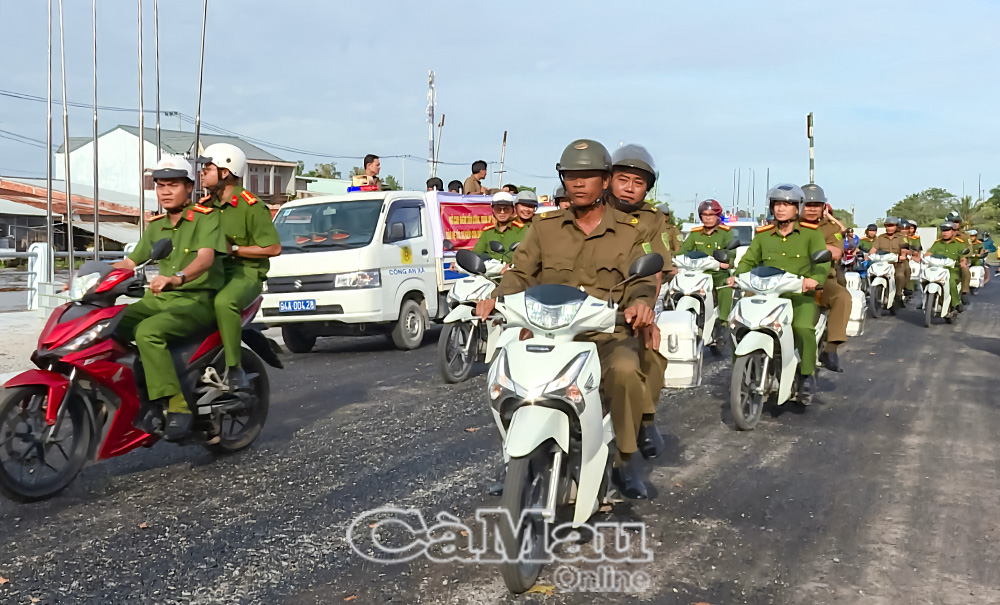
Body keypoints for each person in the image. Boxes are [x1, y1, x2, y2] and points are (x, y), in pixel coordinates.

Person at [476, 139, 658, 499]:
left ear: (605, 180)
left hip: (606, 336)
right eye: (571, 175)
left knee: (624, 372)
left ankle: (625, 458)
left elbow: (641, 282)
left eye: (587, 175)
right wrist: (495, 298)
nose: (577, 183)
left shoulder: (630, 230)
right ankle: (516, 459)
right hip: (548, 334)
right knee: (505, 375)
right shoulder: (544, 227)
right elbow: (521, 273)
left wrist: (640, 303)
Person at [113, 155, 227, 440]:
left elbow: (205, 258)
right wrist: (86, 277)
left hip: (197, 300)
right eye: (160, 185)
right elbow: (130, 263)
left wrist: (178, 278)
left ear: (189, 187)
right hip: (160, 299)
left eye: (173, 184)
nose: (165, 191)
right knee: (110, 323)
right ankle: (132, 390)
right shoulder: (156, 226)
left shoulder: (207, 218)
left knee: (148, 331)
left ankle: (176, 404)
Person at [729, 184, 830, 403]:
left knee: (802, 327)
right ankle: (742, 366)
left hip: (798, 296)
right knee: (738, 321)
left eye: (787, 204)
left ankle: (806, 375)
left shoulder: (812, 235)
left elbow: (823, 264)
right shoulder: (763, 236)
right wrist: (736, 276)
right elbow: (749, 260)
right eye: (777, 204)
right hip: (767, 294)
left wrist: (815, 280)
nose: (781, 209)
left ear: (798, 208)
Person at [609, 143, 673, 459]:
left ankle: (644, 422)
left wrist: (646, 308)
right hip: (582, 306)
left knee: (648, 351)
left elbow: (655, 268)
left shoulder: (650, 220)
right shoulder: (592, 212)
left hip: (633, 302)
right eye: (624, 179)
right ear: (608, 179)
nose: (630, 188)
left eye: (639, 183)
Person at [200, 143, 282, 391]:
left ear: (225, 172)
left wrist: (234, 250)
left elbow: (273, 248)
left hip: (245, 274)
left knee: (224, 303)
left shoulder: (250, 206)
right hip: (212, 273)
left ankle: (234, 369)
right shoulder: (205, 207)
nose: (202, 172)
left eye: (208, 167)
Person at [799, 184, 850, 373]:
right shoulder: (788, 223)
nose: (811, 208)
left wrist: (807, 248)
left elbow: (836, 252)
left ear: (823, 207)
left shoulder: (832, 227)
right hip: (787, 277)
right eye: (807, 204)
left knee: (842, 297)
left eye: (816, 205)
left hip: (821, 278)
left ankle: (831, 349)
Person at [679, 199, 734, 349]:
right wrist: (675, 261)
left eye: (711, 214)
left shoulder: (726, 233)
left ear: (718, 216)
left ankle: (722, 323)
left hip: (717, 274)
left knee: (726, 287)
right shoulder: (695, 234)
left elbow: (731, 252)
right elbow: (683, 250)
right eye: (704, 215)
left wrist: (727, 261)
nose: (708, 218)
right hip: (698, 274)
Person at [870, 216, 911, 313]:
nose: (889, 228)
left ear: (896, 226)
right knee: (872, 272)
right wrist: (869, 255)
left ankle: (897, 295)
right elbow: (873, 249)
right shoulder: (880, 238)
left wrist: (903, 256)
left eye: (892, 226)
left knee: (899, 276)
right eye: (887, 226)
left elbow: (904, 249)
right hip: (883, 262)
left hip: (897, 262)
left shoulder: (902, 238)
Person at [926, 221, 967, 318]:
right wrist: (924, 257)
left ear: (953, 231)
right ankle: (925, 301)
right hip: (937, 268)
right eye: (943, 230)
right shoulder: (937, 243)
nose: (945, 233)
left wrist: (963, 262)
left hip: (952, 270)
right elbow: (929, 254)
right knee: (926, 279)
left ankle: (956, 303)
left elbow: (963, 257)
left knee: (951, 282)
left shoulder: (959, 244)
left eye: (948, 230)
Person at [471, 192, 525, 260]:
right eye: (498, 209)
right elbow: (476, 253)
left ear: (513, 210)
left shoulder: (523, 230)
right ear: (493, 210)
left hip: (514, 269)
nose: (502, 212)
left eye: (506, 209)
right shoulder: (487, 232)